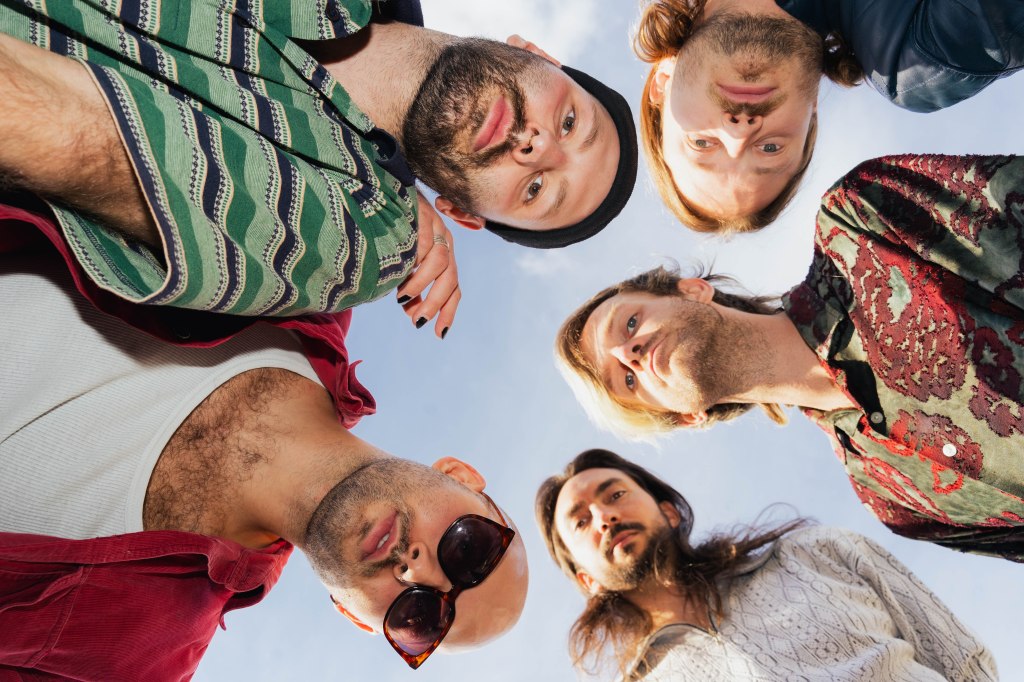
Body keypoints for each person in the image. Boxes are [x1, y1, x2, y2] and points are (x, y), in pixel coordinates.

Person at [0, 249, 529, 680]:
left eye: (420, 618)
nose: (418, 570)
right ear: (461, 477)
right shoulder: (308, 263)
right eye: (468, 548)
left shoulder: (126, 663)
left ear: (352, 615)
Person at [0, 0, 637, 338]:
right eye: (571, 124)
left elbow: (70, 137)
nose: (539, 148)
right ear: (538, 54)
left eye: (536, 190)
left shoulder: (356, 239)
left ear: (463, 215)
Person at [556, 153, 1024, 560]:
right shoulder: (893, 503)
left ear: (692, 290)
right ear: (687, 418)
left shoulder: (862, 218)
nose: (628, 352)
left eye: (630, 323)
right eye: (627, 382)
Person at [536, 449, 997, 681]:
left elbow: (962, 660)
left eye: (615, 494)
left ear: (669, 512)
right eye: (580, 522)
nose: (604, 517)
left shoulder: (815, 552)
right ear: (586, 580)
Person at [634, 0, 1023, 233]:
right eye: (770, 149)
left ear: (663, 82)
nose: (740, 132)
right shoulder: (915, 55)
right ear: (810, 113)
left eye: (702, 144)